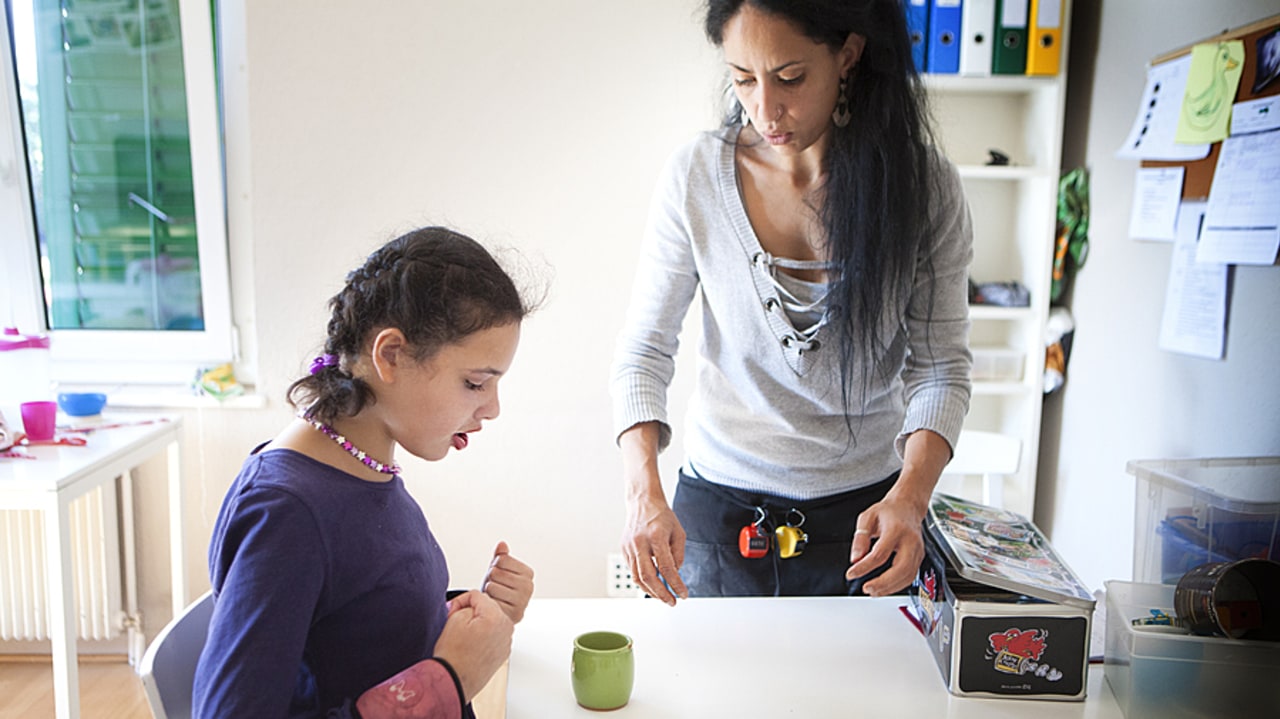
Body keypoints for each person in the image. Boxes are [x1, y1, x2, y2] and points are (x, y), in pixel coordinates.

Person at [611, 0, 972, 605]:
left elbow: (941, 369)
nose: (765, 109)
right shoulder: (695, 176)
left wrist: (912, 496)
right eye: (743, 78)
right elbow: (644, 350)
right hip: (718, 518)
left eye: (790, 78)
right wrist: (643, 491)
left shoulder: (923, 187)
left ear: (848, 56)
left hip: (868, 521)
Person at [194, 227, 537, 718]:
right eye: (475, 383)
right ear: (391, 354)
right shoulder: (286, 513)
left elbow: (353, 634)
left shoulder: (360, 462)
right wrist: (449, 678)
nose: (492, 409)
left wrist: (471, 616)